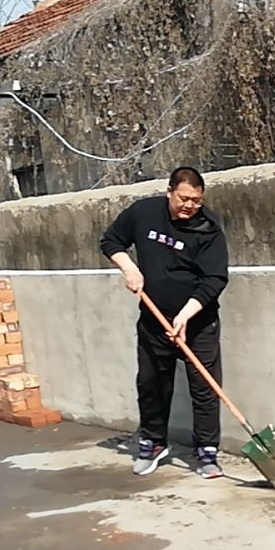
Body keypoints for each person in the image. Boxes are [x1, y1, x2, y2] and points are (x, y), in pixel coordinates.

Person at [99, 166, 230, 479]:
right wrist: (130, 269)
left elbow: (215, 279)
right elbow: (111, 241)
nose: (189, 206)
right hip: (153, 320)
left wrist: (185, 315)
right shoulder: (144, 213)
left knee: (205, 388)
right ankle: (154, 442)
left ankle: (207, 451)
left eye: (196, 200)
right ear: (169, 191)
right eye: (184, 199)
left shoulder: (208, 228)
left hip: (197, 322)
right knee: (151, 384)